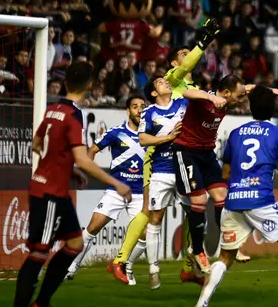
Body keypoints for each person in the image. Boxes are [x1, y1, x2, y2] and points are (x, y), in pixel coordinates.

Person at [7, 62, 131, 307]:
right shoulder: (75, 116)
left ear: (64, 85)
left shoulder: (52, 110)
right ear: (89, 86)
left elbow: (37, 145)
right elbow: (83, 159)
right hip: (49, 193)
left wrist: (66, 168)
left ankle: (41, 306)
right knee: (39, 254)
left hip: (53, 190)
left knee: (74, 244)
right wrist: (114, 183)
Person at [108, 19, 220, 285]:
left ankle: (188, 267)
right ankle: (121, 260)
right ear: (173, 64)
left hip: (188, 154)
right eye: (183, 55)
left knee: (196, 208)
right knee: (150, 211)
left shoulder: (194, 89)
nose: (190, 57)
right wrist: (202, 42)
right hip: (158, 159)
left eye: (190, 54)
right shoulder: (174, 80)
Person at [192, 85, 278, 307]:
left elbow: (226, 174)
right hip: (260, 200)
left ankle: (202, 304)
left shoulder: (236, 133)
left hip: (233, 201)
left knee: (225, 257)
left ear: (251, 107)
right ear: (273, 108)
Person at [174, 77, 278, 274]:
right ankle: (197, 250)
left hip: (206, 153)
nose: (241, 100)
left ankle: (229, 245)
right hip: (186, 152)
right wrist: (211, 98)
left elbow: (253, 87)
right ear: (227, 93)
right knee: (199, 199)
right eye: (239, 96)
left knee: (223, 197)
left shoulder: (232, 95)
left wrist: (275, 91)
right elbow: (186, 93)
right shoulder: (205, 99)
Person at [65, 95, 147, 283]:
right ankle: (72, 266)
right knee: (93, 227)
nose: (139, 110)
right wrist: (87, 169)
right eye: (135, 107)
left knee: (143, 234)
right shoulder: (115, 133)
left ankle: (125, 266)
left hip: (140, 192)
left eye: (142, 106)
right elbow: (92, 150)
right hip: (116, 190)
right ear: (128, 111)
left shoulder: (150, 137)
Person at [138, 76, 189, 289]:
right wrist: (168, 138)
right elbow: (143, 139)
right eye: (160, 82)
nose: (165, 82)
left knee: (196, 212)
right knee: (156, 217)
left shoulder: (183, 104)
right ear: (153, 93)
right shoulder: (148, 113)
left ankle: (193, 260)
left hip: (184, 167)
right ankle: (153, 269)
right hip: (161, 171)